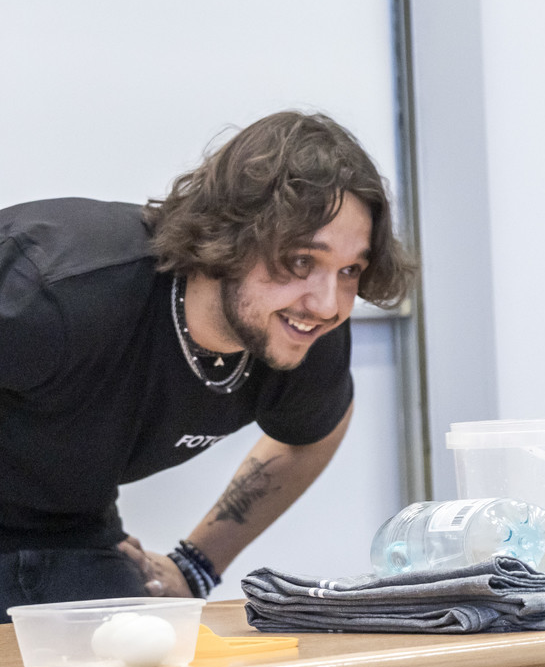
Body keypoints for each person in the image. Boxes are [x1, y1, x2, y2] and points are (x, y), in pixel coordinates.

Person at [0, 111, 415, 616]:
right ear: (231, 234)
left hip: (71, 529)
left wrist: (196, 564)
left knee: (140, 653)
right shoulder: (55, 289)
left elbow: (313, 432)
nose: (327, 304)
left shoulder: (302, 329)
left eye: (350, 269)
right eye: (302, 261)